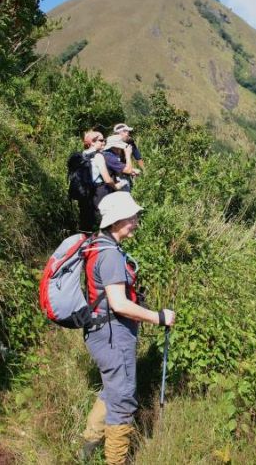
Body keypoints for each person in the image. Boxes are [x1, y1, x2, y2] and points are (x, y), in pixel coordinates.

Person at [80, 191, 176, 464]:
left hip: (101, 333)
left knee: (112, 390)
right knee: (122, 402)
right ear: (116, 221)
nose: (136, 222)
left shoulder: (99, 245)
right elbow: (119, 304)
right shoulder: (109, 256)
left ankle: (87, 449)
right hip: (113, 337)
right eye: (132, 217)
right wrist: (158, 317)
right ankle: (116, 460)